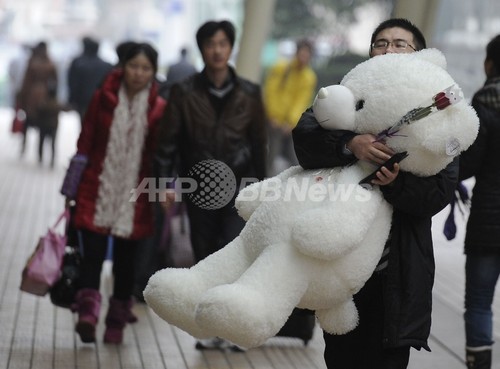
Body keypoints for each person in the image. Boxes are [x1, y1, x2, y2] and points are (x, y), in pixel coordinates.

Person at [292, 18, 459, 369]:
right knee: (340, 359)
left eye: (400, 43)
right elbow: (305, 135)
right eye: (381, 43)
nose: (389, 49)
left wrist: (395, 183)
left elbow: (438, 193)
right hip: (344, 269)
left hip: (395, 274)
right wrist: (349, 143)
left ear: (419, 55)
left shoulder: (439, 113)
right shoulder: (351, 94)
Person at [154, 19, 267, 350]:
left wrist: (262, 189)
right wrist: (164, 183)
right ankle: (211, 327)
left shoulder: (249, 93)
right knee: (205, 257)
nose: (217, 50)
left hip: (240, 188)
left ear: (230, 48)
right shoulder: (183, 91)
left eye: (222, 44)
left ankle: (234, 329)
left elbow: (259, 144)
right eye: (210, 44)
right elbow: (167, 143)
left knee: (234, 254)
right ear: (202, 48)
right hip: (198, 187)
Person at [60, 42, 166, 345]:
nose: (139, 73)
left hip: (137, 195)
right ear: (122, 67)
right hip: (98, 187)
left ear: (153, 72)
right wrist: (73, 185)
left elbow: (161, 154)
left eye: (145, 68)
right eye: (134, 66)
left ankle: (116, 320)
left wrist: (164, 188)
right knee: (92, 254)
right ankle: (88, 315)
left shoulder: (159, 107)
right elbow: (86, 141)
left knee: (125, 262)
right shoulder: (102, 97)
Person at [458, 34, 500, 369]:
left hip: (489, 220)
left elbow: (469, 165)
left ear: (490, 64)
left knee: (480, 302)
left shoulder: (485, 103)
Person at [263, 38, 317, 175]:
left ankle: (296, 185)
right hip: (273, 121)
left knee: (295, 156)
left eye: (307, 55)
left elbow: (302, 101)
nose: (303, 58)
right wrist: (272, 116)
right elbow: (271, 91)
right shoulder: (281, 67)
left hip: (290, 125)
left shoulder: (308, 77)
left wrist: (291, 122)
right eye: (302, 54)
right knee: (270, 153)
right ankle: (262, 180)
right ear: (296, 53)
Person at [16, 41, 58, 158]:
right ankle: (40, 152)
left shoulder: (32, 63)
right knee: (43, 124)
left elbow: (26, 82)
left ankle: (24, 146)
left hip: (31, 96)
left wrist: (22, 97)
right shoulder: (51, 63)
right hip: (45, 96)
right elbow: (55, 83)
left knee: (28, 121)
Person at [67, 36, 113, 128]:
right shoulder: (106, 66)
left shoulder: (77, 63)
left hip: (83, 102)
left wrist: (71, 101)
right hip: (100, 102)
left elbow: (73, 84)